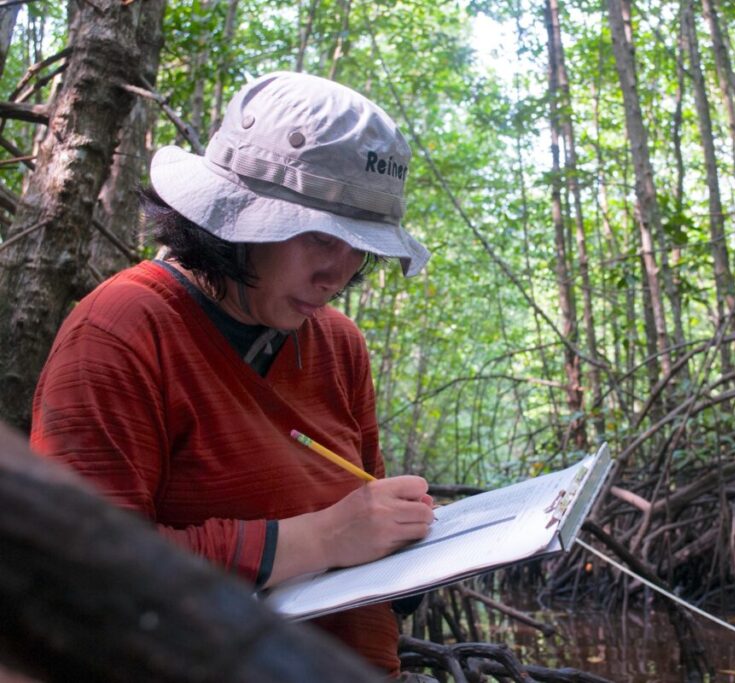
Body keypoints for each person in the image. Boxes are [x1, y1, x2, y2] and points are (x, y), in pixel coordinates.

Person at [30, 71, 435, 675]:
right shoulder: (120, 332)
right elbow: (76, 571)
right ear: (234, 221)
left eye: (361, 248)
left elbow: (361, 519)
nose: (340, 275)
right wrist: (319, 539)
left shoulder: (338, 344)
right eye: (322, 237)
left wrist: (402, 548)